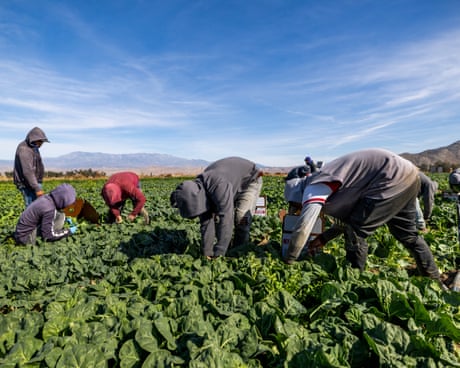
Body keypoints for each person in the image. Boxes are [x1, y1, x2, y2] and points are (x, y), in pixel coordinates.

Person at [284, 148, 446, 288]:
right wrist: (324, 238)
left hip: (389, 177)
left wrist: (290, 259)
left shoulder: (315, 186)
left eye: (295, 205)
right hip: (407, 176)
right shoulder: (328, 183)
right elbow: (349, 218)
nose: (298, 208)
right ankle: (435, 282)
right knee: (409, 235)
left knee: (354, 233)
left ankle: (353, 282)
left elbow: (304, 226)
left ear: (297, 195)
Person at [170, 157, 263, 258]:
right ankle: (227, 247)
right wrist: (207, 253)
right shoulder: (197, 192)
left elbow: (226, 218)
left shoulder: (218, 184)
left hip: (250, 180)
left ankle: (239, 252)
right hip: (231, 183)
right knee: (218, 221)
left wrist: (219, 254)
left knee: (241, 219)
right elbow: (206, 223)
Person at [14, 127, 49, 207]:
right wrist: (37, 188)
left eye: (42, 142)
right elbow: (27, 171)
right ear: (33, 139)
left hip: (34, 182)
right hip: (27, 184)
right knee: (32, 208)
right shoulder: (24, 149)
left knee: (38, 207)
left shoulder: (34, 147)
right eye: (40, 141)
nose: (41, 144)